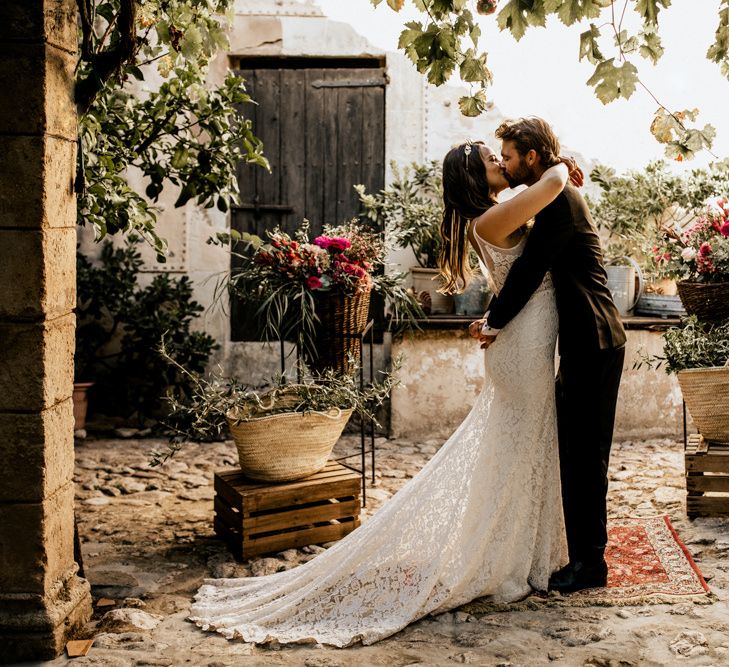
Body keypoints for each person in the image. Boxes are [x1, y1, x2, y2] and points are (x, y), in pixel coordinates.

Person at [188, 135, 578, 648]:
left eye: (500, 156)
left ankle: (522, 548)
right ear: (474, 179)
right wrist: (556, 160)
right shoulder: (491, 218)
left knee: (520, 450)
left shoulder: (496, 214)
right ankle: (507, 557)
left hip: (521, 337)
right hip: (523, 347)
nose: (501, 163)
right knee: (522, 447)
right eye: (492, 160)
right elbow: (554, 182)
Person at [474, 117, 626, 593]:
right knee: (579, 452)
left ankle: (589, 565)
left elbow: (529, 271)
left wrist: (493, 322)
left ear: (532, 158)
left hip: (594, 338)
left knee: (585, 456)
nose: (505, 163)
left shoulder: (557, 197)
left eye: (511, 156)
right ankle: (584, 555)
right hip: (589, 339)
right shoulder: (552, 190)